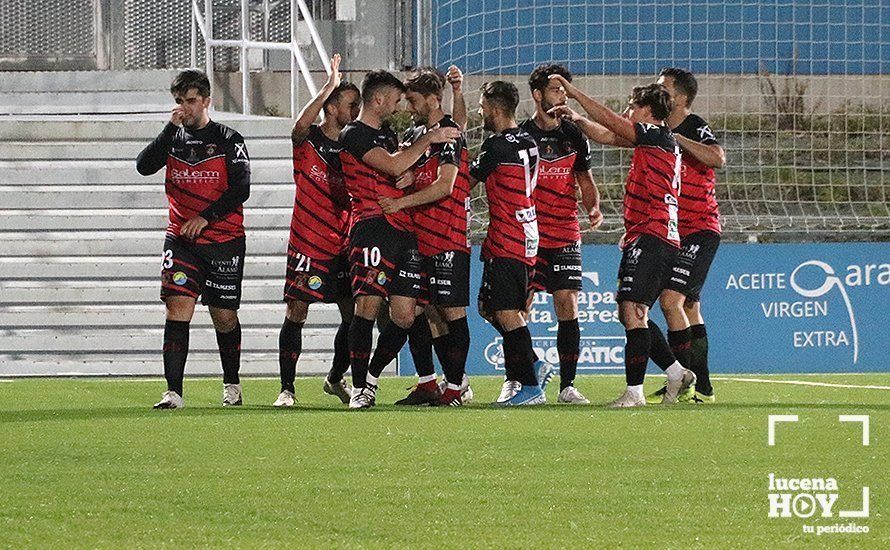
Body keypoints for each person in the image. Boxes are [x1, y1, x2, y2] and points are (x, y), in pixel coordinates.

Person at [549, 74, 696, 407]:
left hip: (654, 235)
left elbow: (610, 121)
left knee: (634, 310)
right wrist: (577, 118)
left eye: (633, 106)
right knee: (629, 310)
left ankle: (635, 393)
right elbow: (605, 133)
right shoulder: (654, 140)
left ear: (647, 110)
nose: (628, 111)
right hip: (650, 235)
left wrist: (574, 94)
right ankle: (674, 371)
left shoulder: (655, 134)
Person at [339, 70, 461, 409]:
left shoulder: (389, 135)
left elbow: (399, 168)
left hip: (403, 228)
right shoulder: (353, 134)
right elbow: (392, 167)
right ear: (377, 100)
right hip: (372, 226)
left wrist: (409, 172)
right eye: (394, 101)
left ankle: (402, 381)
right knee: (367, 308)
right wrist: (428, 140)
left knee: (407, 315)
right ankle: (362, 387)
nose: (397, 108)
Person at [136, 69, 250, 409]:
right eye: (179, 101)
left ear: (206, 101)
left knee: (224, 316)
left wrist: (206, 217)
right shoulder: (172, 137)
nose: (184, 107)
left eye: (190, 101)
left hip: (224, 239)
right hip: (181, 239)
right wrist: (169, 128)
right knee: (177, 309)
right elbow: (143, 166)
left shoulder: (230, 139)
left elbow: (241, 188)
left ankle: (231, 382)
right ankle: (173, 392)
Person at [378, 67, 472, 406]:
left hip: (447, 235)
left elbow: (445, 185)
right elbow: (416, 168)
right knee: (419, 311)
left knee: (450, 313)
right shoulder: (420, 134)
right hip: (417, 237)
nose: (409, 106)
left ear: (433, 99)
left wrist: (401, 201)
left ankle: (457, 386)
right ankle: (430, 382)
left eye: (414, 100)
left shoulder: (449, 134)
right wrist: (410, 176)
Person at [274, 54, 360, 407]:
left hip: (346, 242)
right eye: (350, 104)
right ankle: (287, 389)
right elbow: (296, 127)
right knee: (297, 312)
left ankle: (336, 378)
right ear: (332, 106)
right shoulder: (309, 140)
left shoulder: (356, 146)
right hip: (308, 241)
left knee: (354, 315)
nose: (356, 110)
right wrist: (327, 86)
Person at [519, 64, 603, 404]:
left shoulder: (574, 133)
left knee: (567, 304)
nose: (562, 95)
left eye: (565, 90)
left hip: (566, 231)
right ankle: (523, 379)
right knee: (520, 308)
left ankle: (567, 385)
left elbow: (586, 181)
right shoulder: (521, 135)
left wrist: (593, 207)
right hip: (529, 234)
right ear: (538, 95)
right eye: (556, 90)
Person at [643, 67, 725, 404]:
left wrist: (677, 139)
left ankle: (689, 380)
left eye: (664, 87)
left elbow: (717, 157)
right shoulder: (656, 128)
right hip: (672, 231)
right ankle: (700, 385)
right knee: (688, 306)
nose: (657, 89)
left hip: (700, 228)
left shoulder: (693, 125)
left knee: (672, 301)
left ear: (681, 98)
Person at [470, 81, 547, 406]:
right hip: (526, 232)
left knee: (507, 311)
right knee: (490, 307)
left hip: (509, 236)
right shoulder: (529, 140)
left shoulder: (496, 145)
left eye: (483, 106)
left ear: (496, 109)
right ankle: (533, 362)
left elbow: (465, 182)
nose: (480, 111)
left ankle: (531, 386)